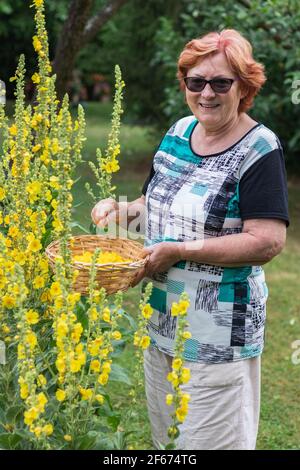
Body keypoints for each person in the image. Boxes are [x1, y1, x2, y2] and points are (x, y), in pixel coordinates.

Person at [91, 29, 290, 450]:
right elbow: (155, 206)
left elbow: (267, 241)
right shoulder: (180, 131)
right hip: (162, 328)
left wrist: (180, 252)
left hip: (219, 335)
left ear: (244, 86)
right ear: (184, 84)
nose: (207, 93)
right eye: (195, 82)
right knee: (169, 447)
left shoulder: (259, 148)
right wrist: (117, 210)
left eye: (221, 83)